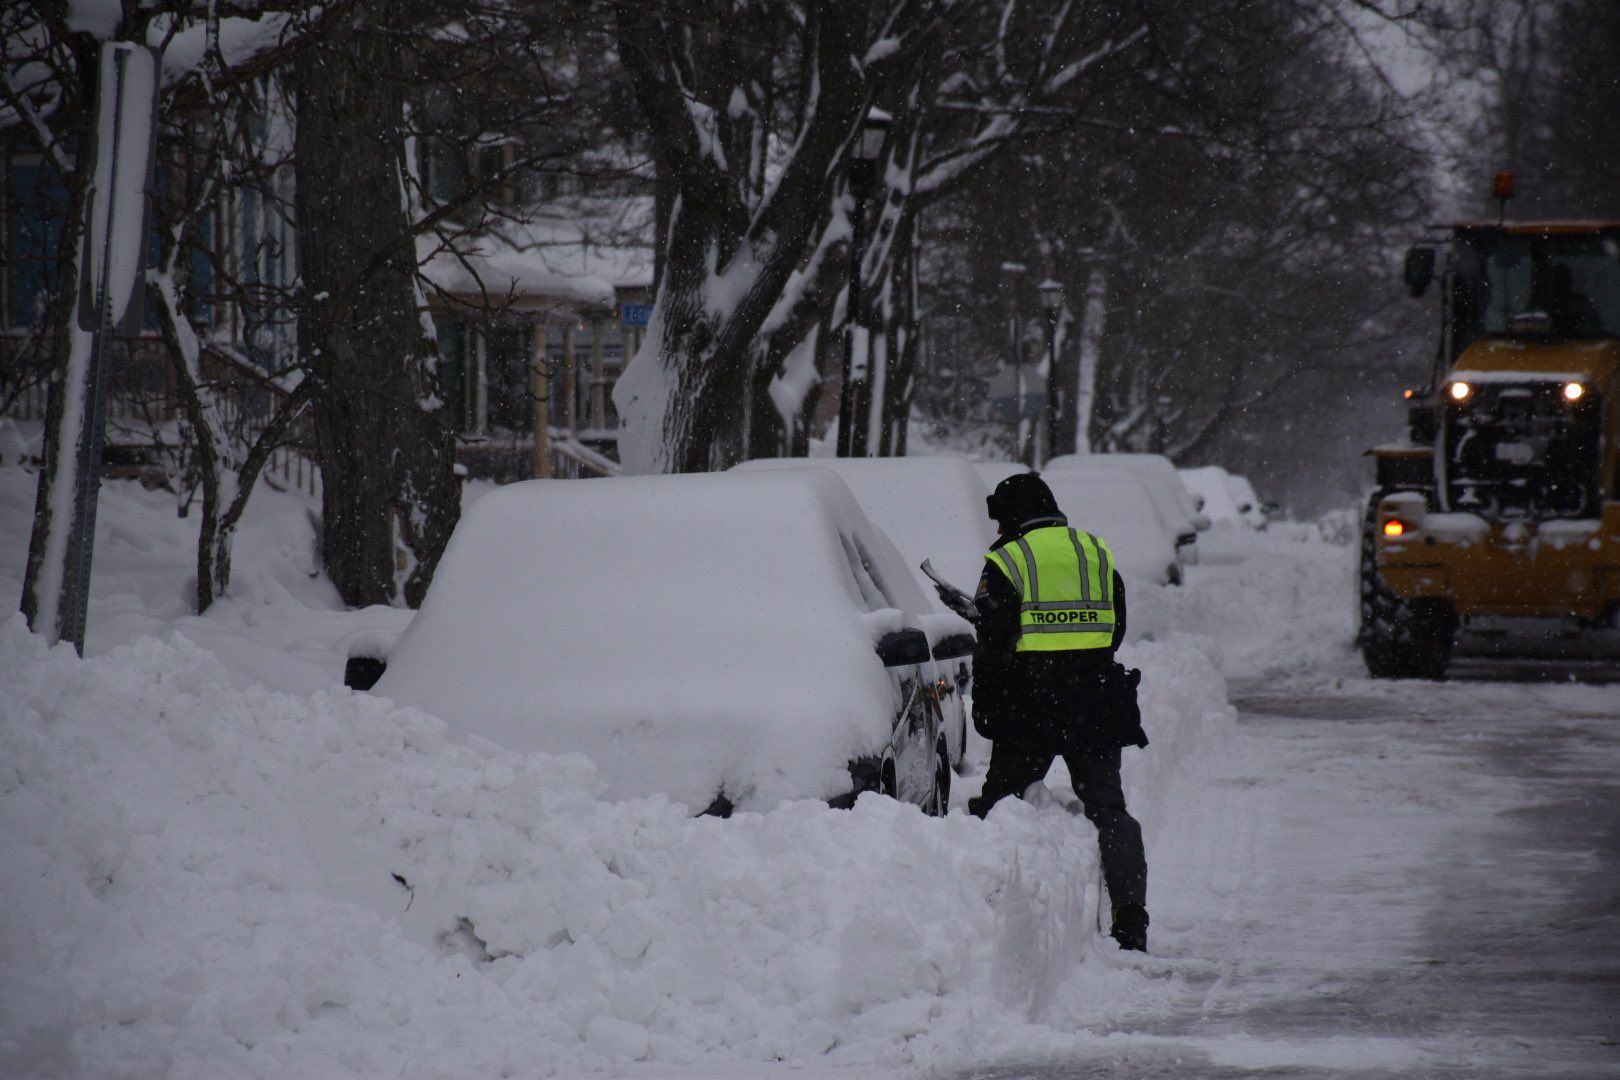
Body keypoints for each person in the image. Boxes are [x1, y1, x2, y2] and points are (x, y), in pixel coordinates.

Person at [945, 472, 1151, 952]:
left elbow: (995, 645)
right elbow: (1115, 627)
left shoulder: (1007, 560)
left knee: (1002, 808)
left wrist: (989, 708)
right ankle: (1131, 919)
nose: (998, 531)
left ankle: (989, 914)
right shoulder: (1093, 552)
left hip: (1029, 708)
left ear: (1014, 516)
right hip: (1096, 703)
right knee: (1110, 812)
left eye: (1000, 521)